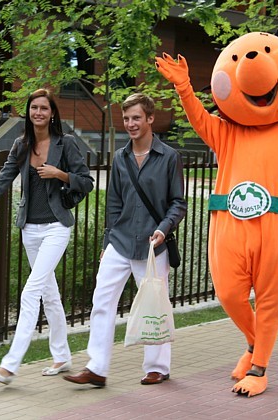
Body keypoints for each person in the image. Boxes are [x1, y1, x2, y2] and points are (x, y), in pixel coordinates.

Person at [0, 88, 94, 384]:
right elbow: (2, 181)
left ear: (52, 113)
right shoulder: (21, 145)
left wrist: (60, 175)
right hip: (30, 229)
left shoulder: (65, 144)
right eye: (34, 108)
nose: (38, 112)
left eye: (44, 108)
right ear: (28, 113)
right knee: (48, 294)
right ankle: (62, 356)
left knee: (30, 292)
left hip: (56, 227)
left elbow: (86, 182)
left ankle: (9, 365)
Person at [63, 93, 187, 387]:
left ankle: (158, 367)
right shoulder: (120, 158)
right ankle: (97, 368)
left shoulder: (169, 157)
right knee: (101, 301)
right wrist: (107, 244)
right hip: (119, 241)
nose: (130, 124)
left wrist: (164, 228)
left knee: (154, 305)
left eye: (136, 118)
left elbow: (178, 203)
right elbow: (114, 205)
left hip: (152, 245)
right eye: (127, 118)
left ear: (150, 119)